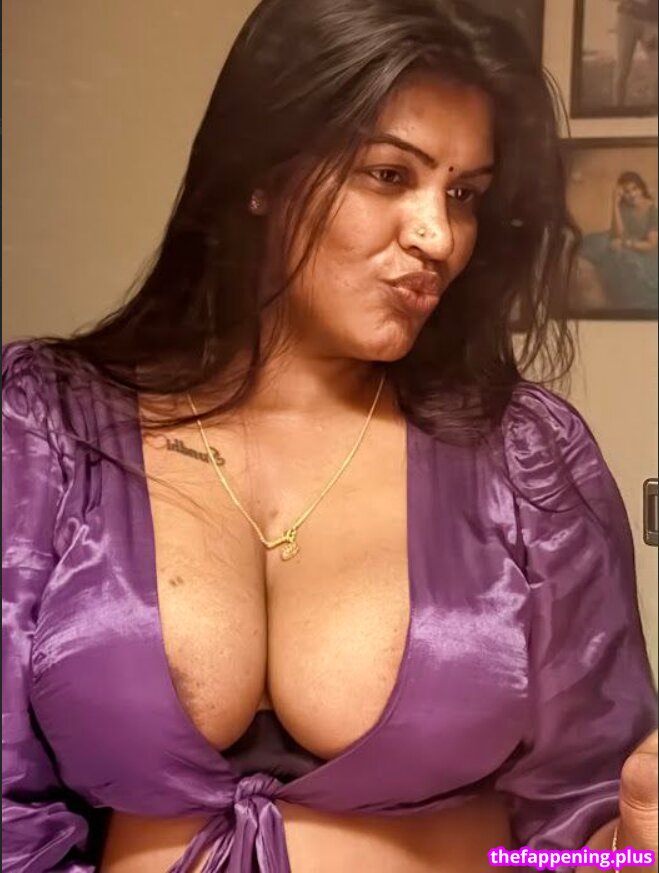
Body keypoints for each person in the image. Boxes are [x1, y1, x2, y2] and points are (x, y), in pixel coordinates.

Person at [3, 1, 658, 871]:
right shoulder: (46, 427)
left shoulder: (525, 459)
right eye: (389, 175)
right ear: (262, 174)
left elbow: (579, 835)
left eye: (463, 195)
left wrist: (631, 842)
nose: (437, 236)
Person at [579, 170, 658, 312]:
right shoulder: (624, 205)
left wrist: (625, 244)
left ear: (642, 189)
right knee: (593, 242)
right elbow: (618, 232)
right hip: (627, 240)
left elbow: (651, 245)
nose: (631, 194)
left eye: (635, 189)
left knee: (620, 258)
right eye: (626, 191)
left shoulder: (652, 210)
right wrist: (615, 205)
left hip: (645, 249)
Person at [613, 0, 658, 107]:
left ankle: (654, 113)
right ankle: (617, 109)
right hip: (628, 19)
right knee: (622, 70)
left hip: (651, 22)